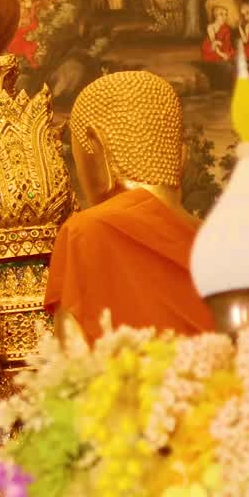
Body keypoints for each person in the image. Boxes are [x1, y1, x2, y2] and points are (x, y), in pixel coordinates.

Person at [45, 72, 214, 344]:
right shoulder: (222, 246)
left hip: (125, 385)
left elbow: (73, 369)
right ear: (181, 158)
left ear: (98, 148)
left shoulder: (86, 232)